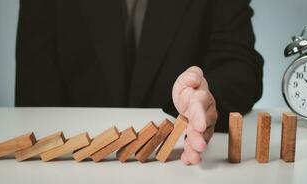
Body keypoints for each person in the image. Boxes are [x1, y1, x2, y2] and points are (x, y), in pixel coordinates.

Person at [15, 0, 264, 165]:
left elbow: (240, 65)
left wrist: (207, 97)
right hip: (68, 167)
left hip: (179, 171)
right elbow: (35, 86)